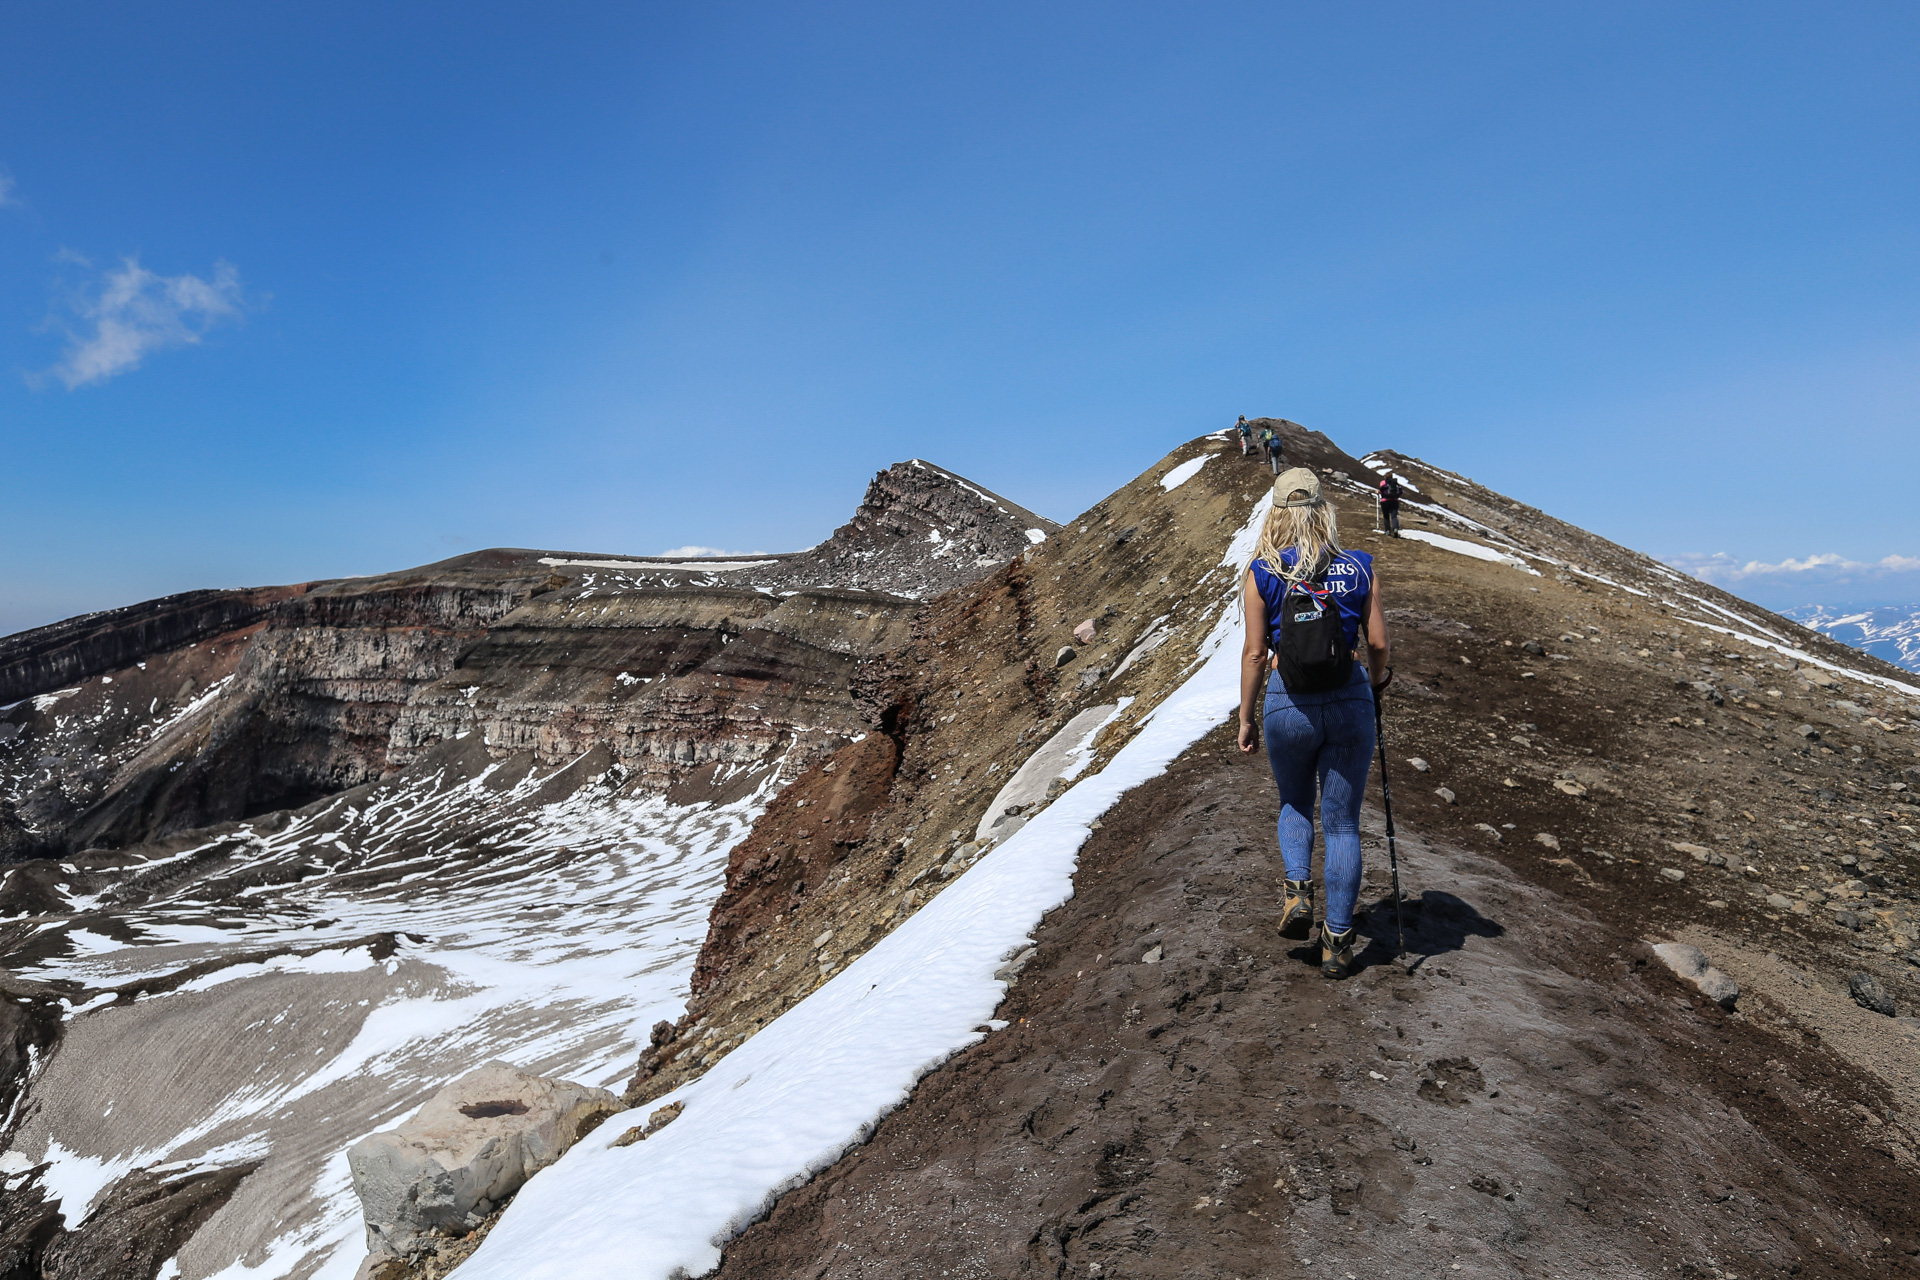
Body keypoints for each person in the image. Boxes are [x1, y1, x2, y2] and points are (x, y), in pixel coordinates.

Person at [1237, 467, 1392, 979]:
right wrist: (1375, 682)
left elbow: (1256, 653)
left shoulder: (1263, 572)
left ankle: (1299, 890)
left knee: (1294, 801)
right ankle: (1339, 942)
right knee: (1343, 823)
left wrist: (1246, 718)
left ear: (1278, 515)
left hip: (1289, 703)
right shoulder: (1358, 566)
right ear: (1324, 510)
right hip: (1348, 699)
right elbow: (1378, 644)